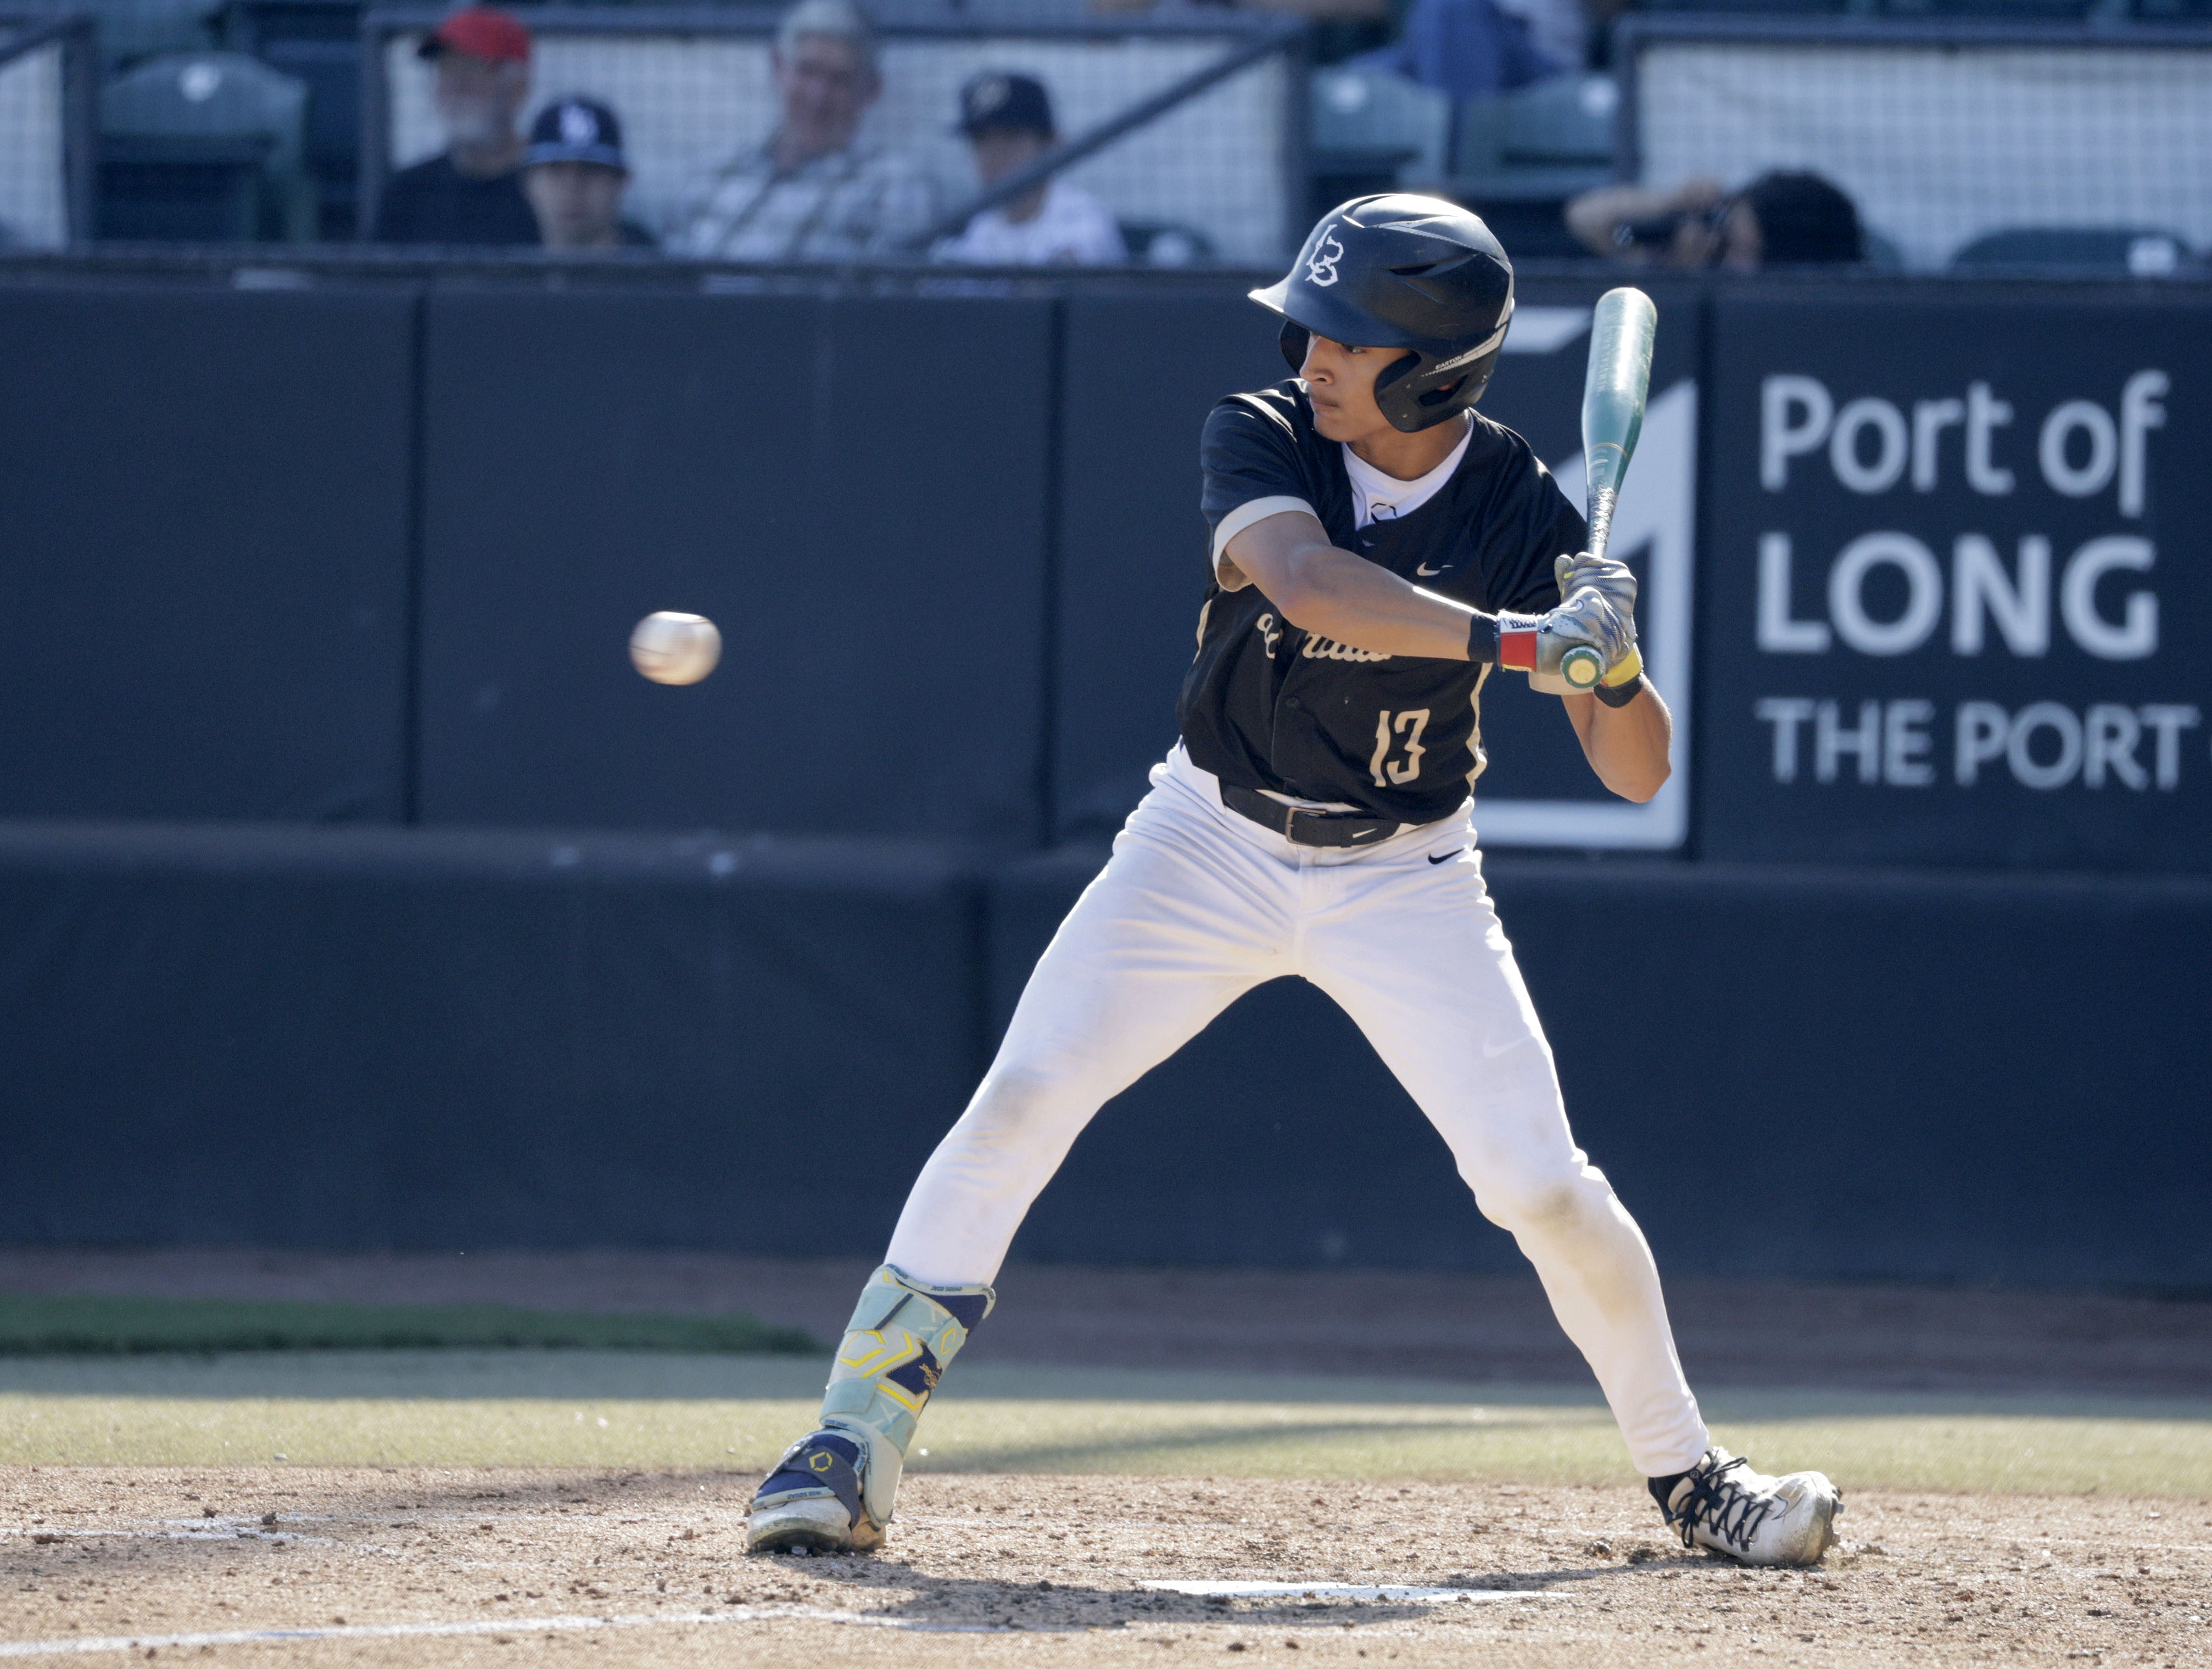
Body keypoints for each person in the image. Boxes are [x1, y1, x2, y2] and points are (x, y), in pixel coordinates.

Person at [742, 194, 1845, 1570]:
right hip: (1203, 839)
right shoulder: (1260, 432)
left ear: (1431, 369)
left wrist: (1609, 662)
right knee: (1025, 1093)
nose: (1310, 353)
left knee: (1539, 1185)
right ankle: (848, 1440)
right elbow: (1306, 581)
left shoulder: (1516, 505)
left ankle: (1693, 1479)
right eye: (1308, 328)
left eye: (1345, 338)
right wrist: (1520, 643)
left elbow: (1637, 771)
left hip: (1407, 876)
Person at [671, 0, 934, 262]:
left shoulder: (892, 184)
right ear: (778, 66)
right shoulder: (716, 173)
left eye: (839, 80)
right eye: (807, 71)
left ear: (870, 90)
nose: (818, 96)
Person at [372, 5, 540, 247]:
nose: (457, 86)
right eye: (446, 69)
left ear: (518, 88)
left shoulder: (555, 193)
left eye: (473, 70)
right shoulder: (409, 193)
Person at [934, 72, 1124, 267]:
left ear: (1049, 144)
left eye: (1011, 136)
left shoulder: (1083, 221)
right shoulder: (978, 226)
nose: (994, 154)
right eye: (981, 139)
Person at [1566, 170, 1863, 270]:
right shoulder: (1674, 256)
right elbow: (1584, 217)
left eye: (1730, 249)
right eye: (1719, 223)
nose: (1711, 241)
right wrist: (1674, 201)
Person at [521, 97, 657, 250]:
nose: (572, 187)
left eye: (590, 170)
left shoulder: (662, 269)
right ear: (527, 181)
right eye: (556, 169)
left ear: (622, 181)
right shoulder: (500, 261)